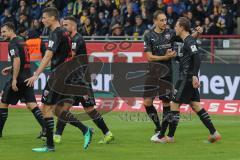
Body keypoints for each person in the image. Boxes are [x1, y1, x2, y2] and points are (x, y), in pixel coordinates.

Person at [25, 7, 93, 152]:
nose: (42, 20)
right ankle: (85, 130)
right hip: (65, 75)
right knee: (58, 110)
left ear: (52, 18)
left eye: (44, 17)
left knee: (45, 108)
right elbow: (62, 56)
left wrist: (36, 74)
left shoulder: (56, 33)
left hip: (59, 76)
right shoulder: (64, 33)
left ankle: (50, 145)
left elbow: (48, 55)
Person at [53, 16, 114, 144]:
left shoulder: (77, 39)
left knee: (89, 110)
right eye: (62, 25)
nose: (64, 27)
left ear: (73, 26)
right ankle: (57, 135)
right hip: (73, 80)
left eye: (66, 25)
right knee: (65, 108)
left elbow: (71, 56)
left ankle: (107, 134)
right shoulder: (70, 39)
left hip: (80, 80)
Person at [143, 10, 203, 142]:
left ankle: (162, 132)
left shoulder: (170, 33)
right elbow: (149, 56)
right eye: (162, 20)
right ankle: (158, 127)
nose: (165, 23)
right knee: (147, 102)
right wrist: (166, 56)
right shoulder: (148, 36)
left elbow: (187, 38)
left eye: (166, 20)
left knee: (166, 103)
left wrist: (197, 33)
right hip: (152, 73)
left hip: (166, 73)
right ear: (155, 21)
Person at [161, 17, 221, 143]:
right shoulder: (187, 41)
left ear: (182, 27)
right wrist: (175, 56)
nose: (175, 28)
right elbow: (188, 57)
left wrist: (194, 75)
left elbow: (197, 58)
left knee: (174, 104)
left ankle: (170, 137)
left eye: (177, 26)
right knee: (195, 105)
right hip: (187, 77)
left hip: (186, 78)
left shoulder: (190, 42)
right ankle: (214, 133)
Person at [0, 22, 46, 138]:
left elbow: (17, 60)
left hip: (19, 78)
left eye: (4, 32)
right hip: (27, 76)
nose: (2, 34)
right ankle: (46, 129)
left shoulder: (12, 43)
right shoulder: (22, 40)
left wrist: (14, 79)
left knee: (3, 103)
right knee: (31, 105)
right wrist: (11, 68)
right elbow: (24, 60)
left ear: (11, 31)